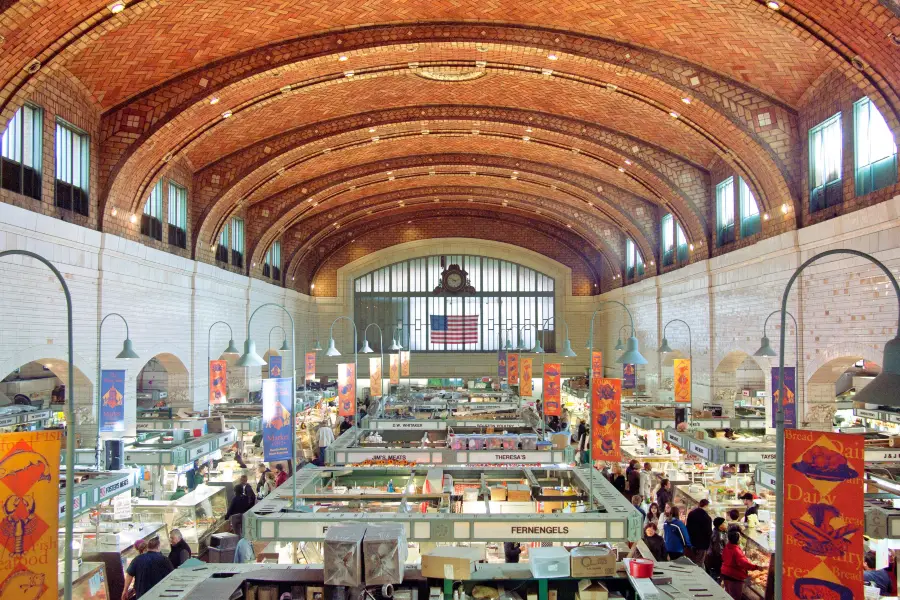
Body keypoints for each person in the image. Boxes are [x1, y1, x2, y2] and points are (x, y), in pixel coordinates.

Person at [721, 529, 764, 600]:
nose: (740, 539)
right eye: (739, 537)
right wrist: (757, 567)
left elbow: (724, 558)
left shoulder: (727, 547)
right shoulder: (736, 551)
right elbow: (744, 564)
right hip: (734, 576)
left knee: (728, 594)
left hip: (726, 573)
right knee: (735, 596)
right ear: (737, 540)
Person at [686, 499, 713, 566]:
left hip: (692, 542)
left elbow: (687, 527)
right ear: (706, 506)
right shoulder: (707, 518)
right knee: (699, 563)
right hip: (702, 545)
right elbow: (708, 532)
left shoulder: (691, 514)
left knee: (691, 561)